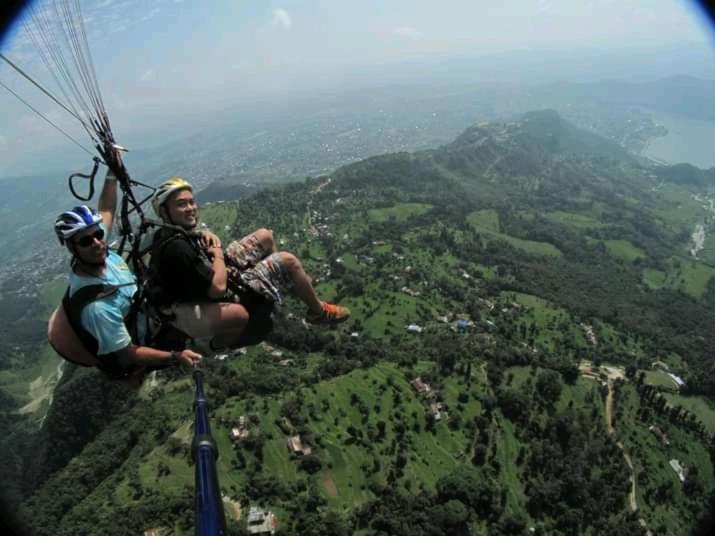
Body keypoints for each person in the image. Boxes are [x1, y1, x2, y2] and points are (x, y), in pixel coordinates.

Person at [149, 177, 350, 352]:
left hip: (213, 270)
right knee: (287, 261)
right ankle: (319, 312)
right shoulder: (176, 247)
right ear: (165, 211)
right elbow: (217, 290)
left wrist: (204, 234)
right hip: (210, 290)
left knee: (265, 236)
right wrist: (218, 254)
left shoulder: (170, 232)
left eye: (191, 202)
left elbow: (193, 250)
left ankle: (287, 283)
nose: (191, 208)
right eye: (181, 204)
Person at [53, 157, 202, 378]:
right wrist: (175, 357)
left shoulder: (98, 255)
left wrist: (112, 173)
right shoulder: (97, 307)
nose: (96, 243)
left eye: (98, 235)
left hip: (145, 307)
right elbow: (128, 354)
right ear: (72, 248)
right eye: (86, 241)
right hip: (145, 339)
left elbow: (106, 209)